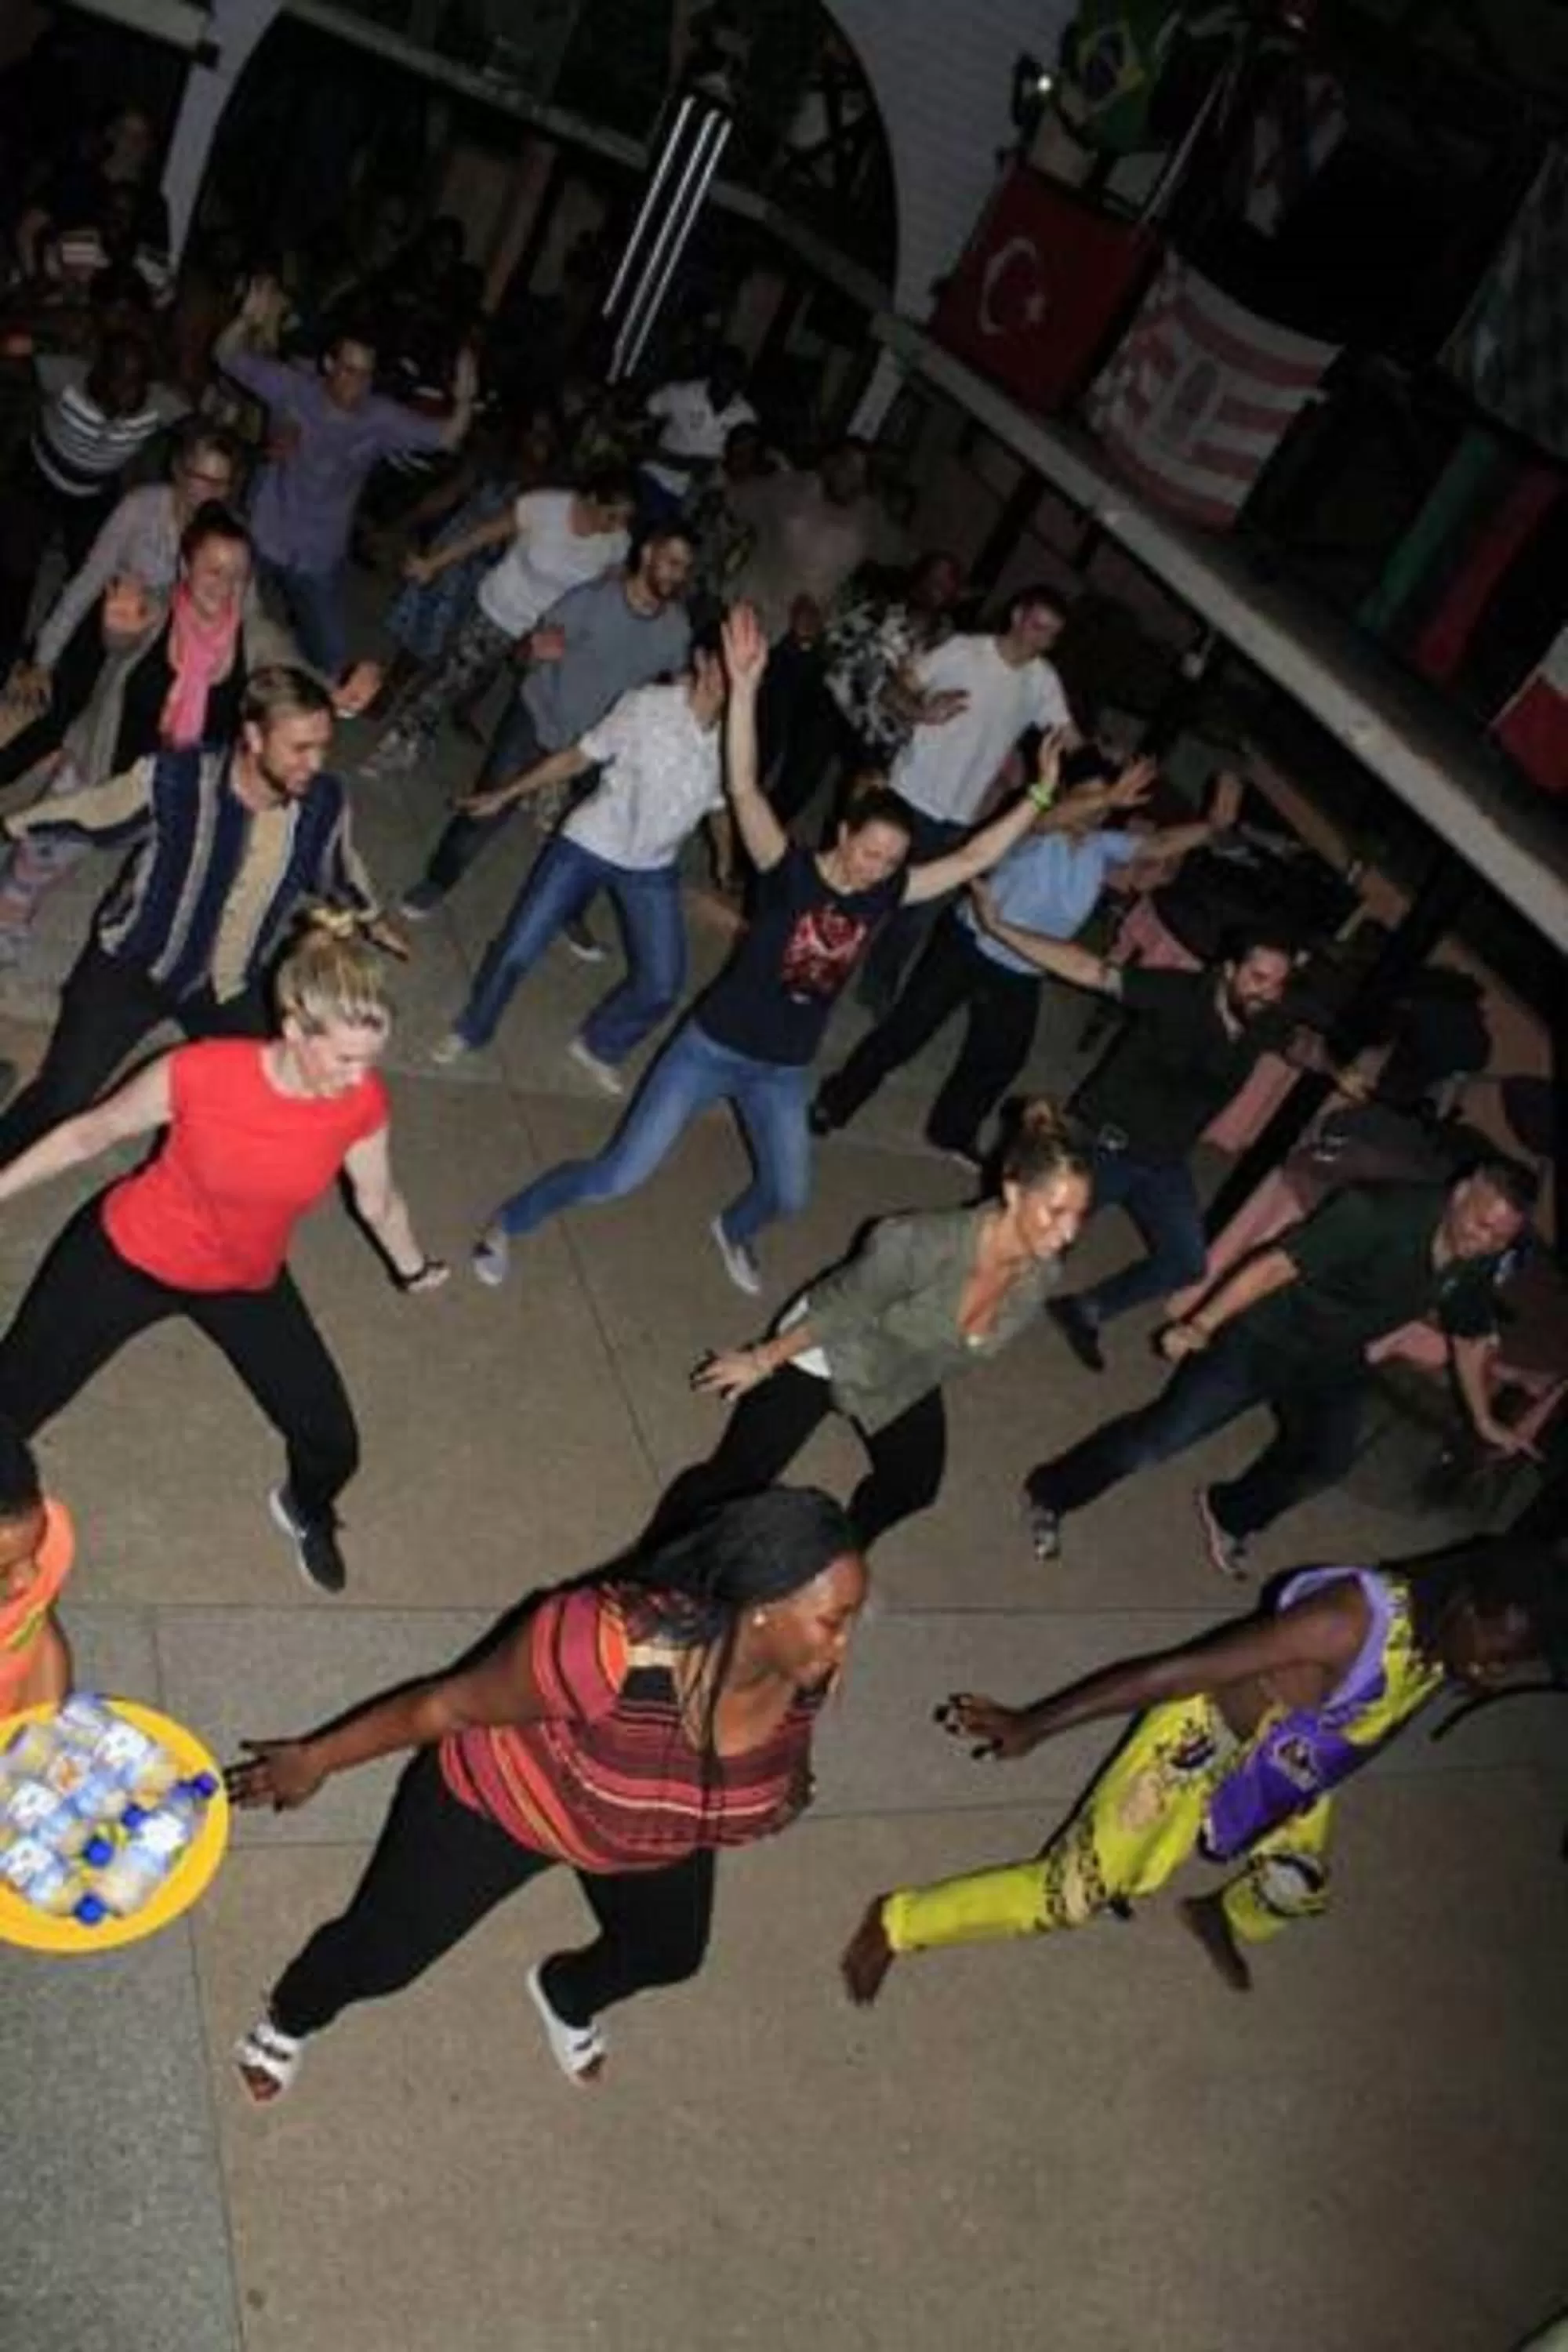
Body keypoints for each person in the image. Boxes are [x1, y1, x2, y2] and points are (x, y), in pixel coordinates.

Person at [467, 606, 1058, 1298]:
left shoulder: (884, 894)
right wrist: (746, 689)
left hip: (782, 1071)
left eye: (891, 861)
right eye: (871, 852)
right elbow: (744, 786)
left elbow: (976, 855)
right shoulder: (787, 869)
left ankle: (733, 1228)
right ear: (844, 834)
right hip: (709, 1049)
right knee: (617, 1176)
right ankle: (508, 1221)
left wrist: (1040, 792)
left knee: (789, 1193)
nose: (877, 869)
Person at [225, 1486, 867, 2099]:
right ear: (762, 1606)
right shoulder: (608, 1643)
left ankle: (565, 1992)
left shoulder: (807, 1672)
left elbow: (786, 1757)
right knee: (382, 1955)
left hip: (648, 1831)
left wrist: (786, 1790)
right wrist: (314, 1760)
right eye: (833, 1622)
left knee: (669, 1953)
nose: (845, 1644)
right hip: (506, 1804)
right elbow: (446, 1706)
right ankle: (292, 2013)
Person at [841, 1532, 1567, 2004]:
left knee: (1297, 1885)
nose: (1493, 1672)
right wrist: (1034, 1723)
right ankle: (898, 1921)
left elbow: (1380, 1723)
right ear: (1469, 1603)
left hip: (1293, 1761)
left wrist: (1306, 1791)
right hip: (1201, 1744)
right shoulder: (1346, 1622)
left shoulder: (1447, 1646)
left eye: (1512, 1664)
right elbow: (1176, 1670)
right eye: (1497, 1652)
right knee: (1069, 1897)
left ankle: (1220, 1913)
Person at [0, 914, 445, 1594]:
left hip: (242, 1278)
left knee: (331, 1439)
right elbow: (91, 1133)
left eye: (370, 1059)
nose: (359, 1076)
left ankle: (304, 1509)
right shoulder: (200, 1071)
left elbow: (379, 1201)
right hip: (129, 1255)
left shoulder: (359, 1103)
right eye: (345, 1058)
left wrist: (412, 1268)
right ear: (294, 1029)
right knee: (10, 1408)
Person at [1024, 1158, 1540, 1574]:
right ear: (1461, 1192)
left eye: (1501, 1238)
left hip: (1334, 1356)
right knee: (1160, 1438)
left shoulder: (1478, 1260)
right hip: (1265, 1333)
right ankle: (1050, 1492)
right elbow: (1274, 1264)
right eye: (1482, 1225)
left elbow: (1469, 1335)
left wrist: (1484, 1420)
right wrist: (1202, 1324)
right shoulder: (1374, 1212)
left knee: (1326, 1458)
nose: (1486, 1242)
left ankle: (1231, 1511)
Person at [650, 1102, 1092, 1549]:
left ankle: (836, 1559)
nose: (1069, 1232)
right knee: (734, 1481)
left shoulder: (1041, 1275)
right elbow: (842, 1309)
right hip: (828, 1349)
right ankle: (649, 1565)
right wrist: (762, 1360)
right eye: (1055, 1211)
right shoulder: (920, 1244)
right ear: (1014, 1191)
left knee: (912, 1484)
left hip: (903, 1366)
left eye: (1079, 1214)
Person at [0, 665, 382, 1167]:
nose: (314, 763)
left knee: (271, 1090)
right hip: (133, 965)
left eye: (323, 747)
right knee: (62, 1100)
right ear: (253, 737)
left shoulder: (324, 801)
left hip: (226, 981)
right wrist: (14, 823)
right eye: (299, 748)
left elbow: (336, 865)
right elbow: (95, 811)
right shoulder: (177, 779)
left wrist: (370, 914)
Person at [813, 757, 1243, 1171]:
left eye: (1101, 804)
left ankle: (949, 1132)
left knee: (1000, 1058)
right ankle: (835, 1103)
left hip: (1023, 967)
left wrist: (1211, 828)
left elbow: (1157, 845)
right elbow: (1047, 818)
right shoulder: (1036, 828)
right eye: (1085, 797)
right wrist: (1108, 795)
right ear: (1065, 795)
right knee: (905, 1032)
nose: (1095, 809)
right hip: (968, 945)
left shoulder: (1100, 847)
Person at [967, 899, 1298, 1357]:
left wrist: (1342, 1070)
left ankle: (1086, 1310)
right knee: (1027, 1240)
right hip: (1103, 1144)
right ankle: (955, 1301)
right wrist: (1001, 928)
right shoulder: (1178, 994)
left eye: (1278, 984)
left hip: (1162, 1161)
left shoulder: (1263, 1020)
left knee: (1186, 1261)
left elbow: (1301, 1044)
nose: (1267, 993)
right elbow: (1090, 970)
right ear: (1229, 970)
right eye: (1258, 978)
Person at [430, 649, 729, 1087]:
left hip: (652, 866)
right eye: (724, 662)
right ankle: (471, 1029)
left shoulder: (735, 738)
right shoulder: (648, 705)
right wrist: (505, 794)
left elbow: (721, 805)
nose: (731, 676)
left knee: (663, 984)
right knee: (517, 949)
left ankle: (599, 1044)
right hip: (589, 844)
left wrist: (726, 857)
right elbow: (578, 756)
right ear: (702, 661)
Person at [399, 524, 695, 921]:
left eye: (685, 567)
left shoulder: (676, 629)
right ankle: (437, 880)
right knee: (492, 801)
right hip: (539, 715)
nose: (677, 574)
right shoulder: (592, 599)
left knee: (595, 836)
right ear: (647, 554)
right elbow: (524, 654)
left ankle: (569, 916)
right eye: (672, 561)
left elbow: (678, 688)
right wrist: (533, 650)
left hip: (598, 742)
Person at [216, 278, 477, 677]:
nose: (357, 383)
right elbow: (226, 355)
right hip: (267, 531)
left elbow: (447, 437)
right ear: (329, 365)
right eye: (350, 370)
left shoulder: (380, 417)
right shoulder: (295, 388)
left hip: (318, 551)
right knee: (218, 611)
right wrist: (245, 321)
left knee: (332, 659)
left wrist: (465, 398)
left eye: (366, 375)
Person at [856, 583, 1076, 1011]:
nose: (1039, 640)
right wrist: (922, 711)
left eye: (1050, 635)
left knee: (918, 912)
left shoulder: (1042, 680)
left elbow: (1068, 735)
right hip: (908, 794)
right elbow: (892, 690)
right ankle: (821, 957)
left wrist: (1101, 757)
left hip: (959, 816)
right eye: (1036, 626)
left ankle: (878, 984)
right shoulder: (964, 651)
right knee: (867, 885)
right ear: (1017, 615)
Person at [1, 419, 243, 782]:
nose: (210, 492)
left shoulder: (228, 535)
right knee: (63, 716)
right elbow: (89, 579)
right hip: (112, 618)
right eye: (201, 477)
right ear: (178, 469)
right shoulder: (141, 507)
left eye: (221, 483)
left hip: (166, 643)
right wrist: (44, 656)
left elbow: (242, 613)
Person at [363, 465, 636, 778]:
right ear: (591, 499)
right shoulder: (546, 507)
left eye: (624, 519)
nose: (616, 525)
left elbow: (610, 589)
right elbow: (482, 535)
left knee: (538, 704)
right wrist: (433, 564)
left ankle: (511, 773)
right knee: (449, 682)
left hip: (547, 631)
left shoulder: (617, 541)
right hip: (499, 612)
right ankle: (397, 744)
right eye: (612, 516)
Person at [0, 332, 185, 676]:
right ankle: (7, 654)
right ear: (98, 372)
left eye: (135, 383)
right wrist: (33, 343)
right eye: (117, 378)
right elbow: (14, 363)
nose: (124, 392)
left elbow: (203, 429)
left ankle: (55, 655)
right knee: (16, 569)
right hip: (39, 477)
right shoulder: (68, 374)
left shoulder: (160, 402)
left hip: (94, 491)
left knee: (92, 576)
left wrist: (259, 448)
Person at [0, 1421, 75, 1717]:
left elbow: (38, 1628)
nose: (28, 1580)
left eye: (34, 1548)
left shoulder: (53, 1537)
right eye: (2, 1570)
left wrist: (46, 1726)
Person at [640, 347, 757, 516]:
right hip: (661, 474)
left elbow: (741, 461)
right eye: (724, 372)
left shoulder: (746, 415)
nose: (728, 379)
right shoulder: (681, 393)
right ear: (713, 371)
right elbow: (645, 415)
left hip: (705, 488)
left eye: (734, 374)